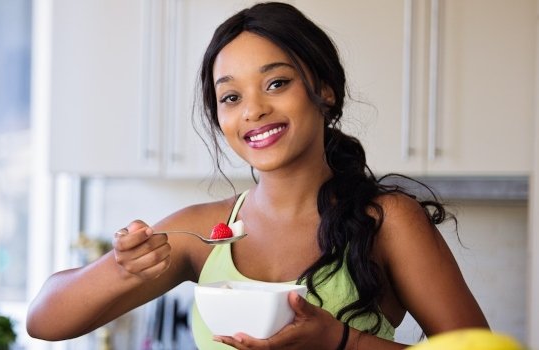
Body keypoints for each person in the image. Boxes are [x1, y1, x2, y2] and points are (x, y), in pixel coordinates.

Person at [26, 2, 489, 349]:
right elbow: (45, 321)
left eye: (277, 83)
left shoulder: (386, 221)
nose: (253, 110)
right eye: (230, 98)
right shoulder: (202, 234)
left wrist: (337, 341)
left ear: (323, 90)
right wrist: (120, 267)